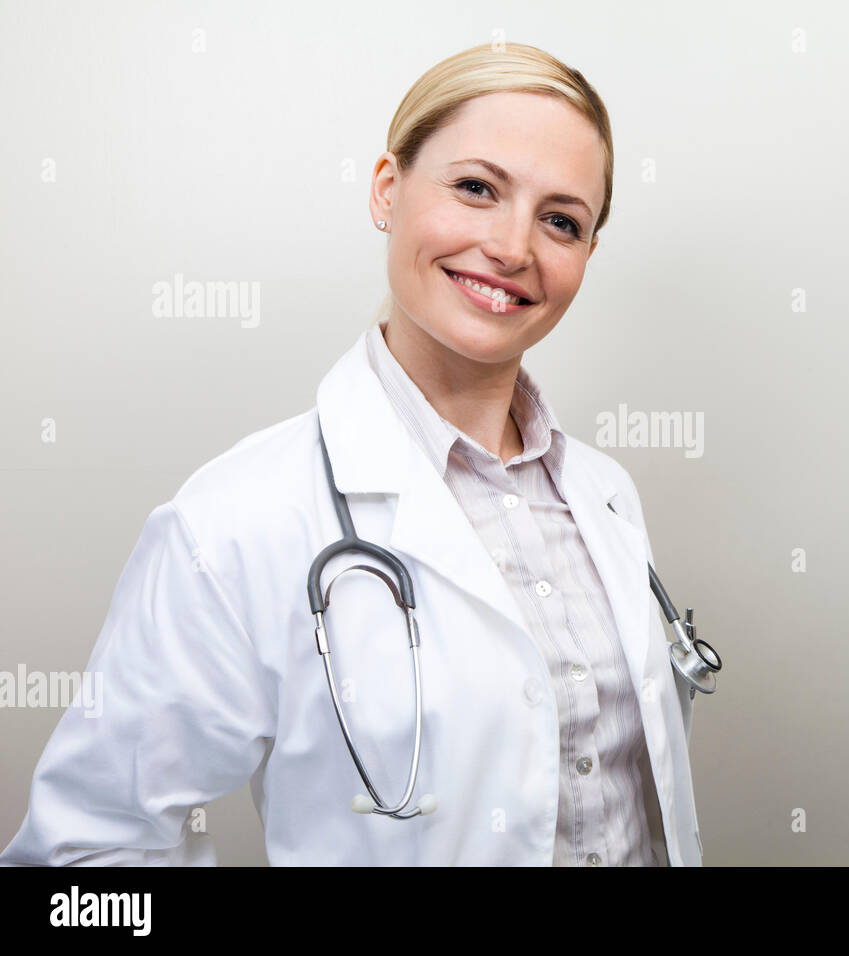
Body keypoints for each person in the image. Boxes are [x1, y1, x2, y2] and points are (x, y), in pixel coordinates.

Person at [0, 42, 703, 866]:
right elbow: (79, 860)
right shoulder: (234, 522)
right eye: (476, 188)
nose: (514, 248)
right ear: (387, 189)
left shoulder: (605, 494)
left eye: (561, 221)